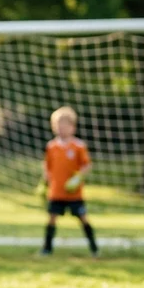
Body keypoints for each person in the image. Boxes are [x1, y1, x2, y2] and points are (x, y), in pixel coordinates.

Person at [41, 106, 98, 258]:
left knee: (83, 218)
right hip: (57, 191)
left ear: (72, 127)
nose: (61, 129)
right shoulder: (51, 146)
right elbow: (47, 167)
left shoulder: (79, 146)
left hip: (74, 193)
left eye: (65, 126)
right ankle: (47, 248)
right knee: (51, 218)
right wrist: (45, 182)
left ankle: (94, 247)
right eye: (58, 126)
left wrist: (77, 178)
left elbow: (87, 165)